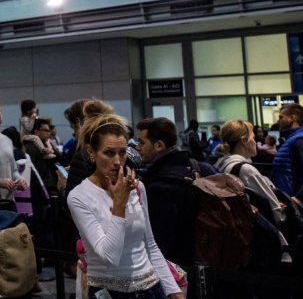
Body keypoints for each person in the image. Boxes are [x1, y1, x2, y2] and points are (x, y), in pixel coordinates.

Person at [68, 111, 183, 299]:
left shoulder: (137, 188)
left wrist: (173, 289)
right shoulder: (79, 196)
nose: (117, 161)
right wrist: (119, 205)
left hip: (151, 288)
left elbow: (150, 244)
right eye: (109, 153)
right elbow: (109, 257)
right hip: (109, 292)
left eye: (122, 153)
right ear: (91, 153)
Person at [135, 117, 214, 268]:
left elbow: (159, 245)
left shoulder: (159, 186)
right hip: (210, 263)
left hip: (176, 271)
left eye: (142, 142)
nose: (138, 148)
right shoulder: (202, 168)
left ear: (159, 145)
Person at [214, 119, 287, 225]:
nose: (255, 142)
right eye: (253, 138)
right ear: (244, 140)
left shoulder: (219, 164)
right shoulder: (246, 170)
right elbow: (278, 215)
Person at [24, 118, 59, 194]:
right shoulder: (30, 147)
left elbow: (59, 158)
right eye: (46, 131)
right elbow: (32, 171)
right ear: (36, 132)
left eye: (49, 131)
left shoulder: (47, 145)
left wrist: (51, 146)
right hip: (41, 188)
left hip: (50, 185)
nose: (49, 133)